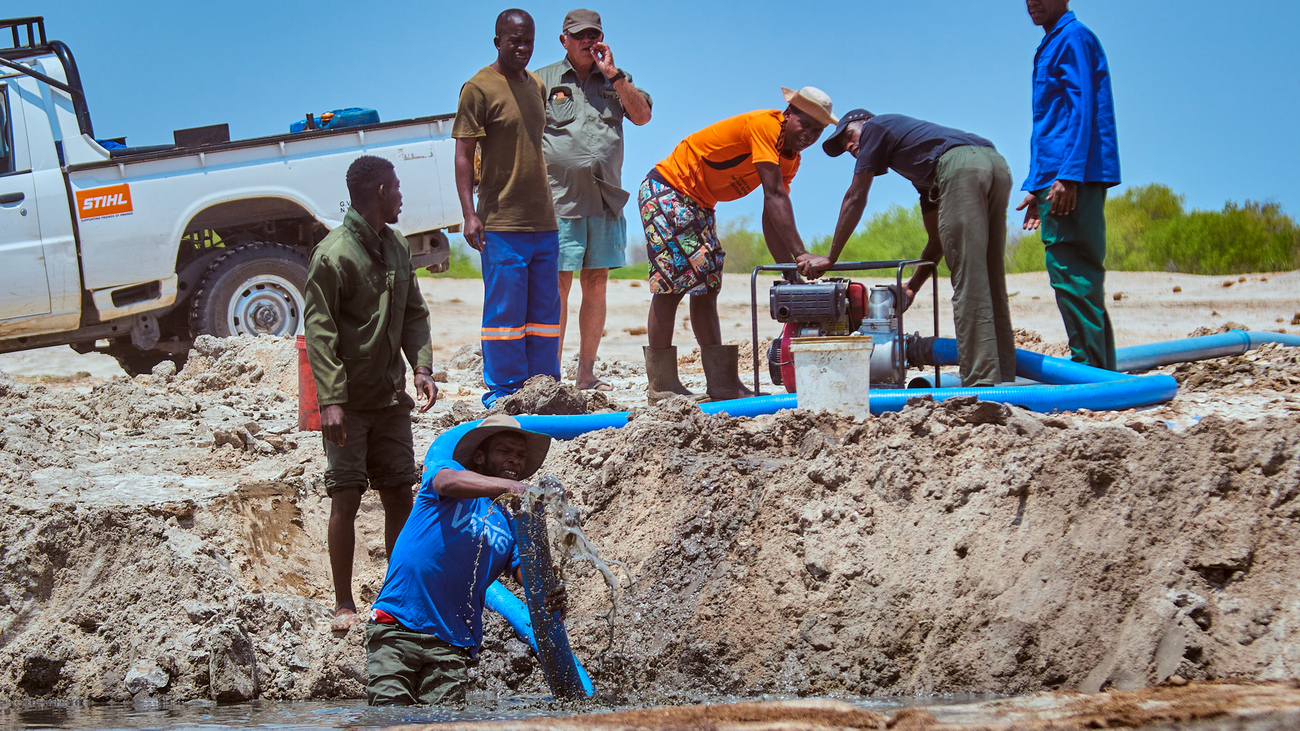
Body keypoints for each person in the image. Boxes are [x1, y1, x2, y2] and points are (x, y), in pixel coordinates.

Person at [303, 155, 438, 631]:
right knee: (346, 495)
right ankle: (343, 604)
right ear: (380, 191)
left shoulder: (397, 246)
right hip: (349, 405)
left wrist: (420, 366)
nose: (402, 195)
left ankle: (393, 595)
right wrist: (331, 402)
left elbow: (414, 314)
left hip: (390, 398)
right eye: (397, 187)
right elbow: (319, 334)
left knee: (401, 490)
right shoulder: (332, 255)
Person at [639, 87, 836, 402]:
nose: (809, 135)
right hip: (670, 189)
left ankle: (722, 385)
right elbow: (775, 196)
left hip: (699, 204)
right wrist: (801, 253)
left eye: (818, 130)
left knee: (707, 288)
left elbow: (771, 215)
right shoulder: (766, 126)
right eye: (806, 124)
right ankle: (662, 387)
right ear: (790, 114)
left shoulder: (790, 159)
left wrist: (790, 271)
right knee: (672, 287)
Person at [365, 415, 567, 706]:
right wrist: (509, 488)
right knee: (388, 717)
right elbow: (447, 481)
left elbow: (528, 573)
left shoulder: (510, 524)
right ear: (480, 456)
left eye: (521, 456)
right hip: (398, 625)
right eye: (505, 451)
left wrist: (549, 589)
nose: (515, 460)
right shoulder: (449, 475)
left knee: (444, 722)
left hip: (451, 642)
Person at [816, 110, 1017, 387]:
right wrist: (911, 288)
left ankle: (981, 383)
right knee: (991, 277)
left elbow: (856, 196)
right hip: (995, 165)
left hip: (962, 168)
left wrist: (830, 257)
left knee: (970, 279)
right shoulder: (922, 174)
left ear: (865, 122)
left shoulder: (875, 126)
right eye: (844, 147)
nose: (849, 146)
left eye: (849, 136)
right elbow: (936, 243)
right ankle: (1006, 377)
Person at [536, 9, 652, 392]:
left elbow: (642, 116)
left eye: (593, 35)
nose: (587, 41)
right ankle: (551, 374)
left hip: (605, 198)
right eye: (579, 35)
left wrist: (614, 75)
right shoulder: (542, 81)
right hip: (559, 200)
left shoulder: (618, 79)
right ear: (564, 40)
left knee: (597, 282)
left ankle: (586, 373)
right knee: (557, 286)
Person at [454, 9, 562, 407]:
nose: (523, 49)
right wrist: (470, 213)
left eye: (529, 41)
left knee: (545, 317)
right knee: (505, 316)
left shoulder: (536, 85)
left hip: (544, 223)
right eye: (515, 41)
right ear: (497, 40)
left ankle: (545, 388)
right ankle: (505, 394)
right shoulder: (478, 88)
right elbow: (464, 154)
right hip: (501, 223)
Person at [1015, 0, 1121, 370]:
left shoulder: (1072, 37)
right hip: (1058, 176)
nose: (1033, 2)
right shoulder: (1053, 41)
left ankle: (1089, 371)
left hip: (1072, 177)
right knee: (1071, 275)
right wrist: (1037, 185)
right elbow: (1050, 123)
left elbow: (1082, 108)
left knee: (1074, 274)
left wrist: (1068, 175)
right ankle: (1098, 369)